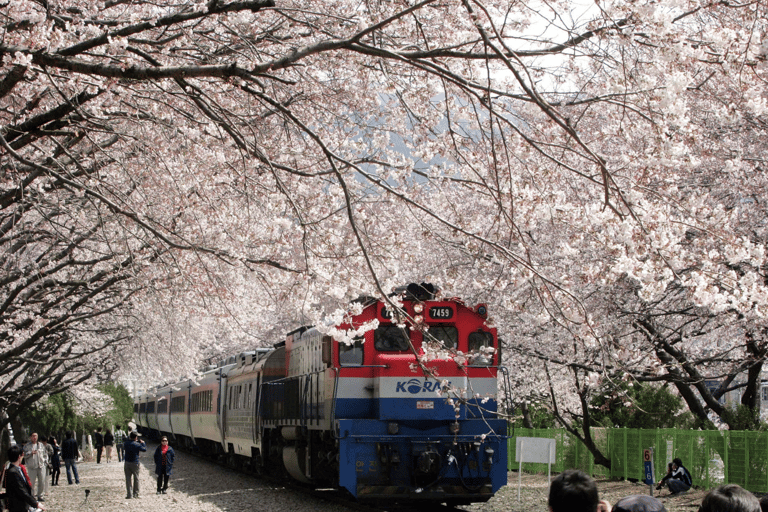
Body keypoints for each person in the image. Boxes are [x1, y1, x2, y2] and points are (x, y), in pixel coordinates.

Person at [5, 444, 46, 512]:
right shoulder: (13, 472)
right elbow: (22, 491)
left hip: (24, 505)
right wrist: (36, 504)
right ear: (19, 457)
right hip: (17, 507)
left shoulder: (18, 469)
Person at [23, 433, 48, 502]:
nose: (34, 438)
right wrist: (30, 453)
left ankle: (40, 495)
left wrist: (45, 461)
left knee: (42, 481)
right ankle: (32, 496)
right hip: (32, 467)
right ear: (30, 437)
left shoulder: (41, 445)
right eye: (33, 436)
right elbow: (24, 455)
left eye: (36, 436)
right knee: (31, 482)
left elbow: (45, 454)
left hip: (41, 466)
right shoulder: (27, 446)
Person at [123, 431, 146, 499]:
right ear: (136, 437)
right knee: (136, 478)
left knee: (128, 479)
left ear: (130, 437)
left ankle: (129, 494)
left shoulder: (126, 443)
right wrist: (143, 443)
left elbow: (127, 442)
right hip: (135, 463)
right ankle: (135, 494)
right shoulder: (137, 444)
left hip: (127, 462)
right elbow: (144, 449)